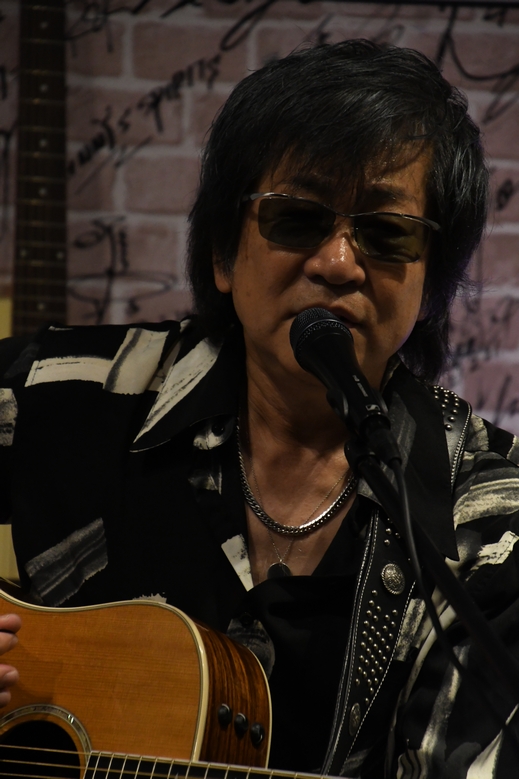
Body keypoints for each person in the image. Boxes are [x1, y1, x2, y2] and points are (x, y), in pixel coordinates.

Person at [1, 39, 519, 778]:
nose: (337, 263)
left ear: (430, 284)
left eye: (385, 233)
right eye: (297, 218)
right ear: (223, 251)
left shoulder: (491, 520)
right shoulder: (67, 393)